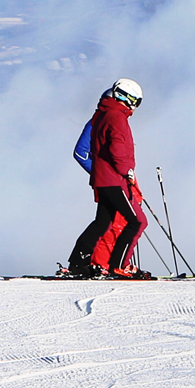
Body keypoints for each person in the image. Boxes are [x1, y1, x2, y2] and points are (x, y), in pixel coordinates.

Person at [65, 78, 150, 279]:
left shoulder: (104, 116)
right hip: (113, 179)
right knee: (136, 221)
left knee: (104, 222)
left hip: (108, 178)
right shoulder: (112, 117)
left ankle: (79, 262)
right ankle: (117, 265)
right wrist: (122, 171)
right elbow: (86, 152)